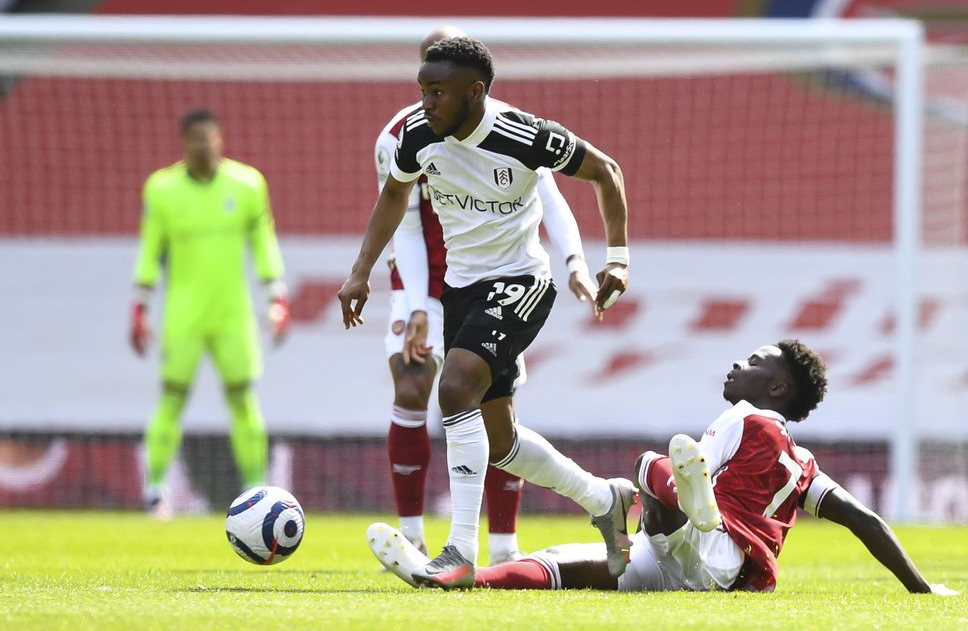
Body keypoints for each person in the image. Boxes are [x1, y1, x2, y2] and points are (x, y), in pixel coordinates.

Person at [339, 36, 632, 589]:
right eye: (423, 91)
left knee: (453, 390)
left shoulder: (523, 134)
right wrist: (360, 272)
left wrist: (614, 261)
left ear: (475, 92)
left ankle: (458, 552)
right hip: (462, 291)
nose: (425, 104)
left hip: (522, 282)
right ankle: (605, 498)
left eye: (438, 93)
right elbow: (393, 198)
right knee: (501, 444)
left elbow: (606, 172)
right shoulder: (416, 137)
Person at [368, 339, 958, 596]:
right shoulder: (804, 467)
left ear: (776, 386)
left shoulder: (749, 418)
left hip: (709, 548)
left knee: (651, 462)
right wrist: (919, 585)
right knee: (550, 566)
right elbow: (863, 519)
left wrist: (667, 491)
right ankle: (448, 580)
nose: (737, 362)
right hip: (705, 573)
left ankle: (682, 508)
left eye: (753, 360)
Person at [130, 108, 291, 517]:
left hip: (231, 314)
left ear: (220, 139)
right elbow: (150, 249)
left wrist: (277, 296)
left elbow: (264, 243)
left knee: (243, 399)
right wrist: (140, 305)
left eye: (210, 137)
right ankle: (155, 492)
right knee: (171, 399)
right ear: (184, 144)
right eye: (196, 139)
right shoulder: (162, 189)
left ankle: (255, 487)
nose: (205, 146)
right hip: (183, 314)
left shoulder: (248, 184)